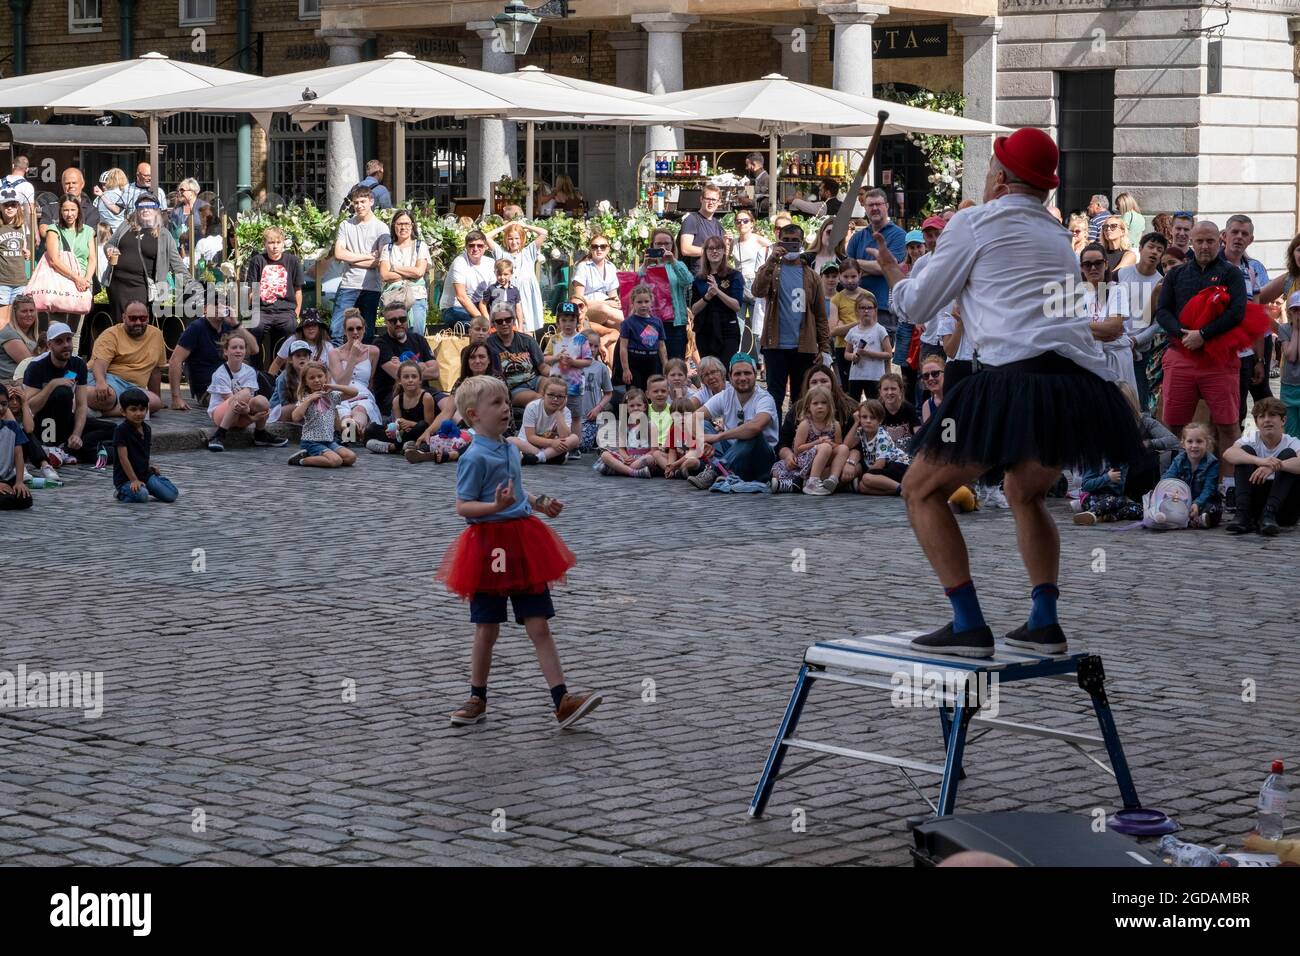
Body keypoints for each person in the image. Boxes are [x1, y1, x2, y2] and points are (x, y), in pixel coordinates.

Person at [878, 126, 1143, 658]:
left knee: (919, 488)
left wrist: (894, 274)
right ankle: (1044, 621)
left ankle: (967, 623)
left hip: (1011, 380)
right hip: (1072, 385)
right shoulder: (1055, 235)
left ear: (998, 178)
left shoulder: (972, 223)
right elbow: (1064, 317)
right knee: (1026, 493)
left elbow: (917, 307)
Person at [435, 374, 603, 729]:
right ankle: (476, 697)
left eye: (505, 403)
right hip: (489, 545)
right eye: (495, 404)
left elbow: (517, 492)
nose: (505, 409)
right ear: (473, 414)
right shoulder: (474, 456)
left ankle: (562, 700)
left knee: (538, 623)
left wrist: (539, 503)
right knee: (487, 627)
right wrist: (495, 507)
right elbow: (463, 507)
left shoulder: (511, 447)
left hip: (524, 541)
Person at [1153, 220, 1247, 488]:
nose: (1205, 246)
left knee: (1228, 424)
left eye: (1210, 241)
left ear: (1220, 240)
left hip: (1219, 360)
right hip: (1181, 357)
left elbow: (1237, 313)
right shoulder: (1176, 274)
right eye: (1200, 241)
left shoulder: (1232, 274)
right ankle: (1170, 481)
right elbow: (1162, 312)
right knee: (1171, 425)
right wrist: (1184, 335)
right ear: (1191, 241)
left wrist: (1203, 334)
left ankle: (1229, 484)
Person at [753, 222, 829, 419]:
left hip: (804, 346)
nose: (790, 245)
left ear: (802, 243)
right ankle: (775, 440)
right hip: (775, 345)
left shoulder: (811, 275)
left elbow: (821, 315)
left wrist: (824, 348)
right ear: (779, 241)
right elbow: (757, 291)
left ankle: (796, 438)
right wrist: (772, 259)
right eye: (786, 241)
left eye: (795, 241)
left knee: (801, 398)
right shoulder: (773, 270)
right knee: (774, 396)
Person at [688, 353, 779, 487]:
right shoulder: (725, 396)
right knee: (703, 424)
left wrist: (717, 437)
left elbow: (755, 426)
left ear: (755, 374)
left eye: (747, 373)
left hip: (759, 460)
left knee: (751, 433)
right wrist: (702, 439)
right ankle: (724, 470)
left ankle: (716, 470)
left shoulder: (765, 398)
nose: (742, 378)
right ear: (730, 377)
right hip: (732, 453)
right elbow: (692, 419)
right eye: (737, 374)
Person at [1220, 214, 1272, 430]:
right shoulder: (1213, 267)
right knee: (1222, 412)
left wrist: (1259, 359)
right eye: (1235, 232)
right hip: (1218, 355)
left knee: (1238, 411)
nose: (1239, 237)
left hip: (1244, 356)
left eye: (1244, 234)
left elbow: (1256, 319)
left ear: (1251, 239)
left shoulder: (1251, 272)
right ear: (1224, 236)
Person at [1223, 396, 1300, 535]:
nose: (1267, 420)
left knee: (1288, 455)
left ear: (1283, 420)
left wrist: (1275, 465)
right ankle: (1243, 515)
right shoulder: (1252, 439)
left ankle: (1269, 513)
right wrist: (1259, 461)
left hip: (1283, 509)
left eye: (1272, 415)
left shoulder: (1291, 442)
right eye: (1261, 416)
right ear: (1257, 423)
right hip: (1256, 504)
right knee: (1244, 452)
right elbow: (1229, 454)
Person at [103, 199, 189, 323]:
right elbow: (110, 243)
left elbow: (177, 264)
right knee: (120, 327)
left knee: (138, 326)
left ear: (156, 211)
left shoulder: (164, 234)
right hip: (118, 285)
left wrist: (193, 286)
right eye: (141, 207)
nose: (145, 209)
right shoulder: (126, 226)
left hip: (142, 287)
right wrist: (110, 249)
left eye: (150, 207)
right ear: (137, 210)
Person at [169, 302, 259, 409]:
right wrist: (176, 398)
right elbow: (175, 360)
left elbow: (254, 349)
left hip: (235, 385)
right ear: (205, 309)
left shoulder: (228, 326)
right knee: (250, 400)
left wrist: (236, 323)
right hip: (208, 390)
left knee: (258, 400)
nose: (219, 307)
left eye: (222, 304)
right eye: (215, 304)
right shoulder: (196, 328)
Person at [331, 185, 391, 343]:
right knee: (337, 330)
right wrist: (367, 257)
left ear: (371, 201)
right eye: (356, 202)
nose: (359, 206)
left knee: (367, 332)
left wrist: (351, 258)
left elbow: (381, 261)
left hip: (371, 286)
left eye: (363, 201)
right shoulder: (346, 225)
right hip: (348, 283)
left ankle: (365, 367)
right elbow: (339, 254)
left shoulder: (381, 228)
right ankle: (337, 366)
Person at [1116, 231, 1168, 409]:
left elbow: (1158, 323)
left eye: (1159, 249)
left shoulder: (1161, 283)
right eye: (1151, 247)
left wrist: (1135, 341)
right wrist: (1122, 340)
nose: (1154, 252)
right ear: (1140, 248)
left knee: (1139, 403)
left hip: (1141, 351)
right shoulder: (1122, 274)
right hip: (1117, 345)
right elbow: (1113, 309)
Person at [847, 188, 908, 338]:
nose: (874, 208)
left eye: (878, 204)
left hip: (884, 309)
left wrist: (858, 264)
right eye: (870, 205)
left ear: (886, 206)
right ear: (865, 208)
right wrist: (875, 267)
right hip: (856, 307)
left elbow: (889, 267)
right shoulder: (857, 237)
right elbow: (847, 270)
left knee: (881, 357)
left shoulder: (899, 235)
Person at [88, 301, 167, 415]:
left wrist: (157, 397)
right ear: (124, 317)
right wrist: (101, 383)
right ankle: (77, 397)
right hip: (108, 379)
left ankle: (97, 411)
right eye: (133, 318)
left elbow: (155, 371)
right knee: (108, 397)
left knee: (154, 403)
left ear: (148, 318)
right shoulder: (111, 334)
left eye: (143, 318)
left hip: (133, 388)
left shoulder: (156, 334)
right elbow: (100, 364)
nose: (138, 322)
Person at [371, 302, 448, 418]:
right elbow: (398, 374)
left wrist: (402, 366)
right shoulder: (380, 344)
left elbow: (435, 372)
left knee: (449, 405)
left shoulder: (418, 339)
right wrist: (421, 365)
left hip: (424, 391)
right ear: (386, 323)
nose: (398, 323)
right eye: (393, 321)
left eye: (402, 319)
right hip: (394, 395)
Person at [1078, 242, 1136, 393]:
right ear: (1081, 268)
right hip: (1089, 360)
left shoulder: (1117, 290)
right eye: (1087, 264)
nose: (1093, 268)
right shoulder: (1076, 295)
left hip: (1115, 359)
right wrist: (1098, 331)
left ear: (1106, 265)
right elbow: (1066, 330)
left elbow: (1113, 327)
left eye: (1098, 263)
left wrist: (1077, 327)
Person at [205, 334, 277, 452]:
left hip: (242, 412)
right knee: (244, 394)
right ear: (226, 351)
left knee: (262, 401)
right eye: (234, 348)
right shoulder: (220, 373)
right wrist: (250, 415)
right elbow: (233, 401)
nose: (238, 351)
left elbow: (248, 399)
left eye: (241, 347)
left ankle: (260, 433)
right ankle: (219, 434)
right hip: (222, 415)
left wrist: (249, 414)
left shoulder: (249, 371)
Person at [770, 384, 843, 495]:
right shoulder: (806, 424)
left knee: (844, 448)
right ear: (809, 407)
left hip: (822, 461)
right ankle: (812, 482)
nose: (820, 406)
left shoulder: (835, 425)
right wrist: (818, 443)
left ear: (830, 406)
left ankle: (833, 479)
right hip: (804, 460)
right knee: (825, 447)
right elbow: (797, 449)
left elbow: (838, 446)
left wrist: (830, 444)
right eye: (815, 403)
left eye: (824, 403)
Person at [243, 226, 303, 357]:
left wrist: (296, 313)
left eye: (278, 242)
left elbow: (298, 289)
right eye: (271, 242)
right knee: (254, 328)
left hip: (286, 310)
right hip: (262, 310)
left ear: (283, 243)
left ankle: (285, 370)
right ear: (265, 244)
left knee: (291, 329)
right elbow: (251, 291)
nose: (275, 246)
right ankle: (256, 370)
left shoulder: (292, 261)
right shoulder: (258, 261)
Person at [286, 361, 359, 468]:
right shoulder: (305, 398)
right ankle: (302, 460)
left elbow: (354, 392)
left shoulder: (331, 396)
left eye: (320, 376)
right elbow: (295, 417)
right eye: (311, 378)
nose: (316, 380)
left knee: (351, 457)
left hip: (329, 441)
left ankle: (323, 457)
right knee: (336, 461)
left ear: (325, 377)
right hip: (311, 442)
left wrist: (334, 386)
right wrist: (309, 399)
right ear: (305, 382)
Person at [112, 388, 178, 504]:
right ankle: (121, 493)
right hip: (126, 479)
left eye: (142, 409)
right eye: (133, 410)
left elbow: (143, 453)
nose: (138, 413)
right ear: (123, 412)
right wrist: (134, 480)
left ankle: (151, 484)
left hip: (145, 475)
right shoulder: (121, 430)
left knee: (171, 494)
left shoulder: (147, 429)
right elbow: (123, 458)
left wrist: (150, 466)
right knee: (142, 496)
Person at [42, 193, 96, 328]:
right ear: (60, 211)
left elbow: (92, 259)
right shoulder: (53, 230)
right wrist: (77, 278)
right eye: (65, 210)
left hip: (82, 284)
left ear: (79, 210)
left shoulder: (88, 231)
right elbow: (54, 260)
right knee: (56, 329)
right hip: (60, 281)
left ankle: (74, 351)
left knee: (75, 333)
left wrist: (86, 280)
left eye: (73, 209)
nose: (69, 214)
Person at [485, 219, 548, 335]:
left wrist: (526, 226)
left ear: (522, 239)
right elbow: (486, 237)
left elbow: (543, 232)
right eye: (510, 238)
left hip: (526, 293)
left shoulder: (529, 252)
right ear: (506, 240)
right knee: (512, 327)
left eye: (517, 238)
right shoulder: (502, 254)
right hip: (509, 295)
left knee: (527, 329)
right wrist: (505, 227)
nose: (514, 242)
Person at [689, 235, 744, 365]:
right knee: (709, 370)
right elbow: (694, 309)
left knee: (724, 369)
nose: (714, 251)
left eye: (718, 248)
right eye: (711, 249)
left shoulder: (734, 275)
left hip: (727, 329)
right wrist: (707, 296)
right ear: (705, 253)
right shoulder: (700, 278)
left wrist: (717, 291)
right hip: (705, 330)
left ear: (724, 251)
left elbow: (736, 306)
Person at [330, 309, 382, 442]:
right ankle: (351, 432)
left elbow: (370, 381)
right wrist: (352, 356)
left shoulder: (373, 351)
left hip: (362, 393)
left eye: (359, 328)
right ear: (344, 331)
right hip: (341, 393)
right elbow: (341, 382)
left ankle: (354, 430)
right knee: (344, 413)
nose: (355, 333)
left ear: (364, 329)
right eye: (350, 329)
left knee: (360, 409)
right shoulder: (335, 353)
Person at [375, 210, 430, 335]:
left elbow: (419, 272)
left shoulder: (420, 246)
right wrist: (410, 271)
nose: (403, 227)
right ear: (394, 226)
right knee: (395, 335)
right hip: (394, 298)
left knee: (416, 336)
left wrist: (394, 267)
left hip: (417, 297)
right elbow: (384, 275)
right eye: (399, 224)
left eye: (406, 223)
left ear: (412, 226)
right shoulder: (387, 249)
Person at [366, 360, 437, 457]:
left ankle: (392, 447)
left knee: (421, 425)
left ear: (420, 380)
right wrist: (394, 429)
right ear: (399, 380)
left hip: (419, 432)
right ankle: (402, 446)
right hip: (404, 435)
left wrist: (410, 424)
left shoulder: (426, 397)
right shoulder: (397, 400)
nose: (410, 380)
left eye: (414, 377)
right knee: (371, 428)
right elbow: (398, 425)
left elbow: (429, 427)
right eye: (406, 377)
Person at [486, 303, 548, 408]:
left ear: (513, 320)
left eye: (508, 319)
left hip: (535, 380)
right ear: (493, 324)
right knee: (538, 399)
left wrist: (558, 374)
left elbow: (542, 367)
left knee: (554, 388)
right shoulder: (489, 344)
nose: (504, 323)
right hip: (512, 388)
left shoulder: (527, 340)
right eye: (499, 321)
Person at [570, 233, 623, 355]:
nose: (599, 249)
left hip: (607, 310)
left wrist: (616, 302)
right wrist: (604, 303)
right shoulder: (583, 267)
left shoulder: (611, 267)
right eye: (595, 246)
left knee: (615, 327)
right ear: (591, 248)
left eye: (603, 246)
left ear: (608, 248)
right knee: (604, 308)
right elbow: (579, 300)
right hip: (587, 308)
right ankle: (635, 322)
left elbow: (613, 294)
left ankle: (612, 369)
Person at [1162, 422, 1222, 528]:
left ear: (1207, 443)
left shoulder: (1212, 463)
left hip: (1203, 501)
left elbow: (1209, 489)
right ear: (1183, 444)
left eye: (1199, 441)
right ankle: (1185, 519)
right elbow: (1167, 479)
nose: (1194, 446)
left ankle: (1196, 519)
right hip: (1180, 500)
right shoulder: (1179, 460)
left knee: (1213, 510)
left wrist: (1197, 503)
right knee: (1166, 504)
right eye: (1190, 441)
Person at [730, 209, 771, 363]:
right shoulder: (734, 241)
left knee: (758, 327)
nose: (742, 224)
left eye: (745, 220)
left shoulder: (758, 239)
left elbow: (773, 249)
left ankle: (762, 363)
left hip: (754, 283)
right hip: (739, 284)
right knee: (738, 327)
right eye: (738, 221)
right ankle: (737, 361)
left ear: (752, 223)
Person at [848, 399, 912, 496]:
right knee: (862, 487)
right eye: (864, 417)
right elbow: (847, 445)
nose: (868, 421)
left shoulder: (882, 436)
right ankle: (898, 490)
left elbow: (880, 464)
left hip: (899, 465)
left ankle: (902, 488)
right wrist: (856, 423)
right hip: (885, 470)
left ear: (880, 420)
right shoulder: (861, 432)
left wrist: (865, 476)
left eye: (872, 418)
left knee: (866, 479)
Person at [512, 376, 580, 466]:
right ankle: (550, 457)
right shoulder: (532, 407)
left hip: (553, 447)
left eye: (560, 397)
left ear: (565, 398)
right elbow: (530, 437)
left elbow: (565, 436)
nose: (555, 399)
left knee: (574, 438)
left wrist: (558, 412)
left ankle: (537, 458)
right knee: (510, 440)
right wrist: (552, 443)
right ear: (543, 394)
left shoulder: (566, 411)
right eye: (551, 395)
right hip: (531, 445)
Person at [547, 302, 591, 430]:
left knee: (575, 416)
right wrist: (556, 358)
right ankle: (557, 441)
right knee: (555, 414)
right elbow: (545, 358)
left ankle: (575, 444)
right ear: (558, 322)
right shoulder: (554, 339)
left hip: (574, 386)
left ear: (577, 321)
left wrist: (573, 362)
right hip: (555, 385)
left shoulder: (582, 339)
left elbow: (588, 361)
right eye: (564, 320)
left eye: (571, 320)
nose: (567, 324)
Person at [597, 386, 655, 478]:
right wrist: (625, 457)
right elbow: (622, 449)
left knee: (650, 459)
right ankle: (633, 472)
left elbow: (654, 450)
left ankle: (622, 469)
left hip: (642, 459)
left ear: (644, 407)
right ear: (627, 408)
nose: (635, 408)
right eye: (632, 406)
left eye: (639, 405)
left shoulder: (650, 425)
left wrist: (639, 459)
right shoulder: (624, 426)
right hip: (628, 458)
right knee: (605, 455)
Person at [619, 283, 668, 391]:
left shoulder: (657, 322)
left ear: (651, 302)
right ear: (633, 303)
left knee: (652, 391)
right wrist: (626, 369)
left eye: (646, 301)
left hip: (652, 361)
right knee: (634, 393)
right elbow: (623, 348)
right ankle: (629, 408)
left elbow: (661, 346)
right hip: (634, 362)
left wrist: (665, 365)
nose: (643, 305)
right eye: (639, 302)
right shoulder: (628, 323)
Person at [843, 293, 891, 401]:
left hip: (875, 376)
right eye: (862, 308)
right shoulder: (853, 331)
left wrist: (869, 354)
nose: (866, 311)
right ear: (857, 310)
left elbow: (889, 354)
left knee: (874, 405)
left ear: (875, 310)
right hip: (855, 376)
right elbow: (846, 353)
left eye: (869, 308)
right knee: (854, 405)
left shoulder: (880, 330)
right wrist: (853, 356)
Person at [678, 183, 725, 274]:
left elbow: (724, 251)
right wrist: (712, 252)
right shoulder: (692, 219)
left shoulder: (718, 224)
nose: (711, 202)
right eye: (708, 199)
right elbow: (685, 249)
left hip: (715, 274)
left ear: (719, 202)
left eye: (714, 200)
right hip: (698, 276)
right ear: (701, 199)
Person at [578, 328, 612, 452]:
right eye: (589, 345)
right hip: (571, 417)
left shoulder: (601, 368)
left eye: (595, 346)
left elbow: (608, 393)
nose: (592, 349)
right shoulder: (571, 365)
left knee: (583, 445)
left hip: (590, 418)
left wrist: (598, 408)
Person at [268, 309, 332, 375]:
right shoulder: (292, 340)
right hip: (293, 381)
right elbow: (277, 363)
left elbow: (332, 372)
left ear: (319, 327)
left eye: (314, 325)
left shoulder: (327, 346)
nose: (311, 328)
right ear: (302, 328)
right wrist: (269, 381)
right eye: (307, 325)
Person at [0, 197, 30, 333]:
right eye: (6, 205)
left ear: (18, 207)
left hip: (20, 280)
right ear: (1, 207)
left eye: (13, 205)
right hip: (3, 281)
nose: (10, 208)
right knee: (3, 321)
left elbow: (25, 248)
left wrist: (26, 252)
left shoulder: (22, 226)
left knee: (17, 321)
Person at [0, 392, 32, 511]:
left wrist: (19, 482)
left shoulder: (12, 427)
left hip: (7, 477)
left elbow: (18, 455)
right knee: (5, 500)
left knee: (25, 499)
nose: (0, 408)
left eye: (3, 404)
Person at [269, 339, 313, 424]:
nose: (302, 358)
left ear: (309, 358)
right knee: (301, 405)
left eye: (305, 355)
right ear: (290, 360)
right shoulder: (283, 377)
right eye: (298, 355)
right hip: (278, 411)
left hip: (299, 409)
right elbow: (284, 403)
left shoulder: (311, 374)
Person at [0, 294, 38, 383]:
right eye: (24, 311)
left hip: (29, 381)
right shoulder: (9, 333)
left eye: (31, 310)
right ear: (15, 313)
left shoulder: (33, 334)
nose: (29, 314)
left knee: (73, 370)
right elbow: (31, 366)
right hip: (11, 384)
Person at [1277, 291, 1300, 437]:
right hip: (1289, 387)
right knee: (1290, 432)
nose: (1298, 313)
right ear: (1290, 311)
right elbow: (1291, 356)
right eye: (1295, 309)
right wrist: (1296, 330)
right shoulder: (1284, 328)